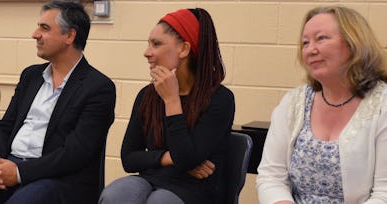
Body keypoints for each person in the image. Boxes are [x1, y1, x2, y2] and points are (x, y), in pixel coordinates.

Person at [0, 1, 116, 204]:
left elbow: (76, 152)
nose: (35, 34)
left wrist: (19, 172)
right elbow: (5, 127)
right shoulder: (31, 76)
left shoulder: (98, 87)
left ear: (70, 36)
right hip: (8, 168)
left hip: (57, 179)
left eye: (44, 28)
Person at [98, 8, 235, 204]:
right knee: (116, 194)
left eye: (156, 44)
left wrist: (172, 101)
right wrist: (171, 157)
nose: (147, 53)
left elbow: (186, 159)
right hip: (152, 178)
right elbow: (129, 158)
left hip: (197, 189)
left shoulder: (220, 99)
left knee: (160, 202)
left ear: (184, 49)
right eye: (149, 44)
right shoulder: (147, 95)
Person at [257, 6, 387, 204]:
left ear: (354, 43)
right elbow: (270, 176)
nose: (311, 50)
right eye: (305, 43)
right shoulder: (293, 103)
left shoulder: (381, 104)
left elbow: (383, 194)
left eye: (321, 38)